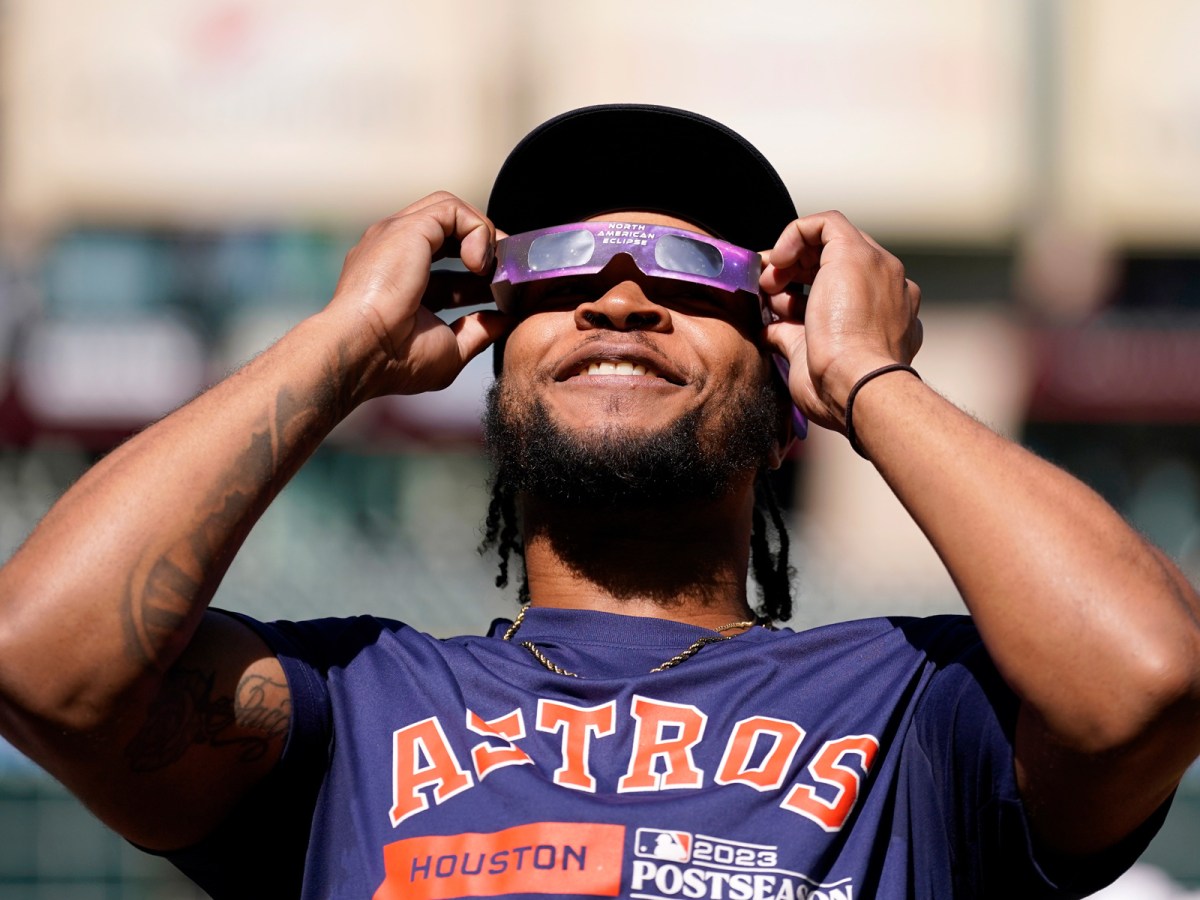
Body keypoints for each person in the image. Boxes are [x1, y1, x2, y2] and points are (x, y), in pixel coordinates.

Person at [0, 103, 1197, 900]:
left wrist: (871, 379)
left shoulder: (921, 712)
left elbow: (1148, 675)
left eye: (689, 276)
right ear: (488, 366)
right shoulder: (348, 709)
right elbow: (41, 662)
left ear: (786, 396)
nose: (618, 303)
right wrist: (341, 342)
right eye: (562, 274)